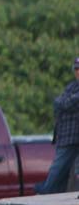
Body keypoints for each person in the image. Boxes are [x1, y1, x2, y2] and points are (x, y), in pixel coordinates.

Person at [34, 56, 79, 194]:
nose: (78, 72)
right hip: (67, 135)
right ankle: (52, 192)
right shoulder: (72, 86)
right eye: (76, 69)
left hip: (72, 136)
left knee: (61, 167)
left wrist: (64, 103)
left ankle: (48, 189)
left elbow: (66, 103)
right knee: (61, 170)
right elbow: (58, 103)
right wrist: (64, 103)